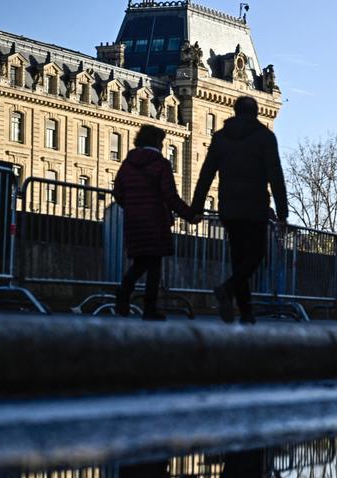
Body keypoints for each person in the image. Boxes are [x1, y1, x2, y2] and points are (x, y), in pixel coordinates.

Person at [191, 96, 288, 324]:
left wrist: (197, 207)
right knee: (255, 256)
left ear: (235, 111)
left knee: (238, 257)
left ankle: (245, 312)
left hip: (229, 205)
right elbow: (275, 175)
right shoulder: (265, 137)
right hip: (254, 205)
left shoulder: (220, 138)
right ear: (255, 113)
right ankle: (229, 289)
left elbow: (206, 174)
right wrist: (282, 212)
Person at [112, 125, 197, 320]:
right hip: (155, 221)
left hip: (133, 221)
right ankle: (149, 308)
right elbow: (170, 196)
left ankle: (124, 292)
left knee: (141, 262)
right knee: (154, 265)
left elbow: (118, 193)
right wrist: (190, 215)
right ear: (158, 142)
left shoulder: (127, 164)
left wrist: (132, 206)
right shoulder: (161, 164)